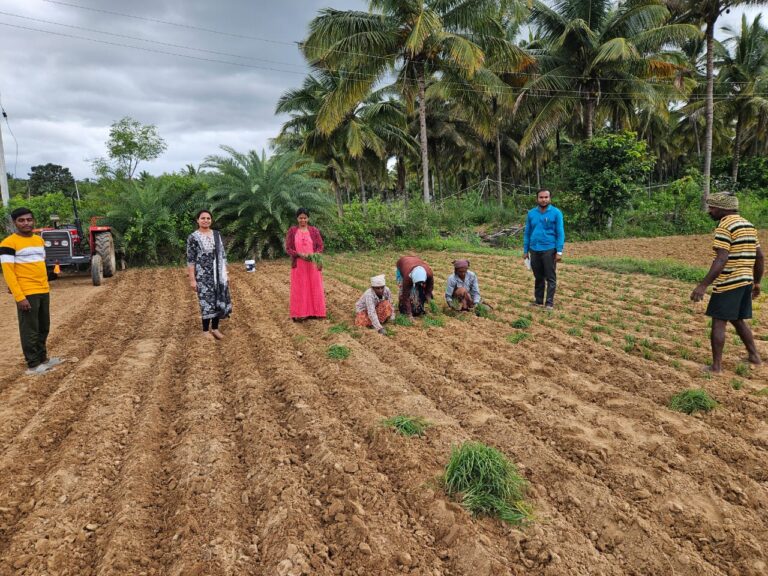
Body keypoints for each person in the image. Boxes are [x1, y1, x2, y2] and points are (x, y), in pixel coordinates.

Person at [691, 192, 763, 373]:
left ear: (724, 209)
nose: (710, 211)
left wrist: (702, 285)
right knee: (738, 320)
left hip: (729, 282)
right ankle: (754, 356)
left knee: (718, 322)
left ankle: (716, 367)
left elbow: (721, 259)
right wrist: (756, 283)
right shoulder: (748, 225)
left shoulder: (725, 226)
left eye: (713, 207)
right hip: (745, 281)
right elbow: (760, 257)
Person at [1, 207, 62, 374]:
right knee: (30, 330)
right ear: (15, 223)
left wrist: (49, 280)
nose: (26, 223)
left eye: (29, 219)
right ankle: (33, 364)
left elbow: (40, 265)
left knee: (44, 326)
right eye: (21, 220)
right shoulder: (8, 243)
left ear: (33, 220)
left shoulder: (38, 240)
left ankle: (43, 359)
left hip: (43, 289)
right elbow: (9, 273)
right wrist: (20, 297)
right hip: (27, 292)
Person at [186, 209, 232, 340]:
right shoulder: (193, 237)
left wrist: (226, 274)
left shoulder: (216, 235)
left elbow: (223, 256)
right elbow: (190, 260)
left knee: (218, 300)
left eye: (208, 218)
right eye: (203, 218)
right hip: (203, 275)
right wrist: (192, 280)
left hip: (218, 274)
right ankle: (206, 330)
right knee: (206, 302)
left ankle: (215, 329)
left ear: (211, 220)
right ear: (197, 220)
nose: (206, 220)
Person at [523, 189, 565, 310]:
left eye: (546, 197)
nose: (543, 199)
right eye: (541, 197)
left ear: (550, 198)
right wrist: (526, 250)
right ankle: (539, 301)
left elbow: (560, 232)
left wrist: (559, 251)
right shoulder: (531, 213)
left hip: (549, 249)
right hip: (534, 249)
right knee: (538, 277)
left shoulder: (556, 213)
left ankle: (549, 303)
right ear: (537, 199)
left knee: (550, 277)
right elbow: (527, 233)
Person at [285, 207, 326, 321]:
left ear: (308, 218)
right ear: (297, 219)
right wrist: (299, 254)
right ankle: (300, 313)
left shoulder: (314, 231)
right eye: (300, 218)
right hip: (299, 264)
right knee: (300, 288)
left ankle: (316, 312)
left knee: (315, 286)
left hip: (312, 264)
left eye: (305, 218)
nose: (303, 220)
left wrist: (313, 255)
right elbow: (288, 248)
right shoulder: (292, 231)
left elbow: (320, 246)